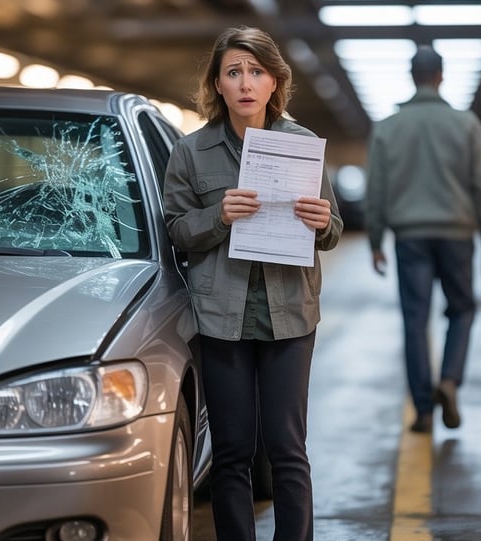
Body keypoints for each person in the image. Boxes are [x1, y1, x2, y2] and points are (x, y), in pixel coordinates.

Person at [163, 26, 343, 541]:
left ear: (274, 82)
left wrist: (322, 222)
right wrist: (218, 216)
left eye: (256, 72)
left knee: (287, 449)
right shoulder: (191, 152)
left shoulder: (302, 146)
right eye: (233, 72)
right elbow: (176, 230)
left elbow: (333, 231)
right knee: (232, 451)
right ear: (217, 84)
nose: (245, 83)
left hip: (291, 316)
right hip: (222, 318)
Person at [364, 45, 481, 434]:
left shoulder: (388, 127)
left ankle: (423, 411)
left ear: (412, 77)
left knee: (415, 320)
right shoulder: (466, 124)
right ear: (441, 76)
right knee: (462, 310)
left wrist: (376, 240)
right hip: (457, 235)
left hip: (410, 237)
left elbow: (376, 189)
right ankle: (450, 380)